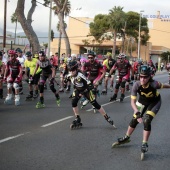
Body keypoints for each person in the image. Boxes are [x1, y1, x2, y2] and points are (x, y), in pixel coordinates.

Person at [111, 65, 170, 154]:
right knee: (135, 119)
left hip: (154, 102)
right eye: (141, 77)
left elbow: (166, 86)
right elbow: (132, 102)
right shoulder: (136, 85)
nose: (142, 79)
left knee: (147, 120)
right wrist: (137, 112)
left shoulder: (155, 84)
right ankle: (127, 137)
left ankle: (144, 143)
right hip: (142, 101)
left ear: (149, 77)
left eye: (145, 77)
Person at [64, 60, 116, 129]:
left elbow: (90, 86)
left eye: (73, 70)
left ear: (76, 69)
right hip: (78, 89)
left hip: (86, 90)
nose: (71, 72)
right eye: (70, 70)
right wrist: (64, 82)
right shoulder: (69, 75)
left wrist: (83, 93)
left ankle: (107, 117)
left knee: (95, 104)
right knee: (73, 102)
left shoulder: (81, 75)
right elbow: (66, 81)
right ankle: (77, 118)